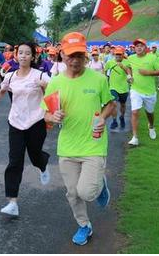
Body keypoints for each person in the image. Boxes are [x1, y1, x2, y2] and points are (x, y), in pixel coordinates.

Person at [42, 32, 116, 246]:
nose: (75, 60)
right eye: (70, 55)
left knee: (86, 192)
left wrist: (102, 117)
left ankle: (99, 185)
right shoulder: (55, 82)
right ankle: (84, 225)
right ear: (62, 55)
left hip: (93, 143)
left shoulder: (98, 79)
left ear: (85, 55)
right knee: (73, 193)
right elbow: (45, 113)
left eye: (79, 55)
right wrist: (52, 116)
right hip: (68, 146)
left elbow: (110, 104)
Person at [0, 42, 51, 217]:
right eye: (20, 52)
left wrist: (48, 100)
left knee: (35, 155)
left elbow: (54, 93)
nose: (23, 56)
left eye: (27, 53)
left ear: (33, 56)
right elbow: (2, 91)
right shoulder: (11, 76)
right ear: (16, 55)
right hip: (16, 123)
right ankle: (12, 202)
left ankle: (42, 164)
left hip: (36, 122)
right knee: (15, 161)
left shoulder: (40, 75)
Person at [126, 38, 159, 146]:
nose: (138, 48)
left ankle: (151, 126)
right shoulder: (131, 58)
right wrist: (129, 76)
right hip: (135, 89)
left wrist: (148, 73)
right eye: (136, 46)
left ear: (145, 48)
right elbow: (128, 67)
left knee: (149, 112)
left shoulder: (153, 58)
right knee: (135, 112)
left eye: (141, 46)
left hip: (149, 91)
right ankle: (135, 138)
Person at [105, 46, 132, 131]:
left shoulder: (127, 62)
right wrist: (105, 80)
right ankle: (114, 121)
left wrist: (123, 67)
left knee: (123, 105)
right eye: (117, 54)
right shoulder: (110, 62)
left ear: (123, 54)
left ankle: (122, 117)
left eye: (120, 54)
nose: (118, 56)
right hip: (113, 87)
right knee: (113, 104)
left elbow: (129, 73)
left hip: (124, 88)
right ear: (114, 54)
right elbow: (105, 71)